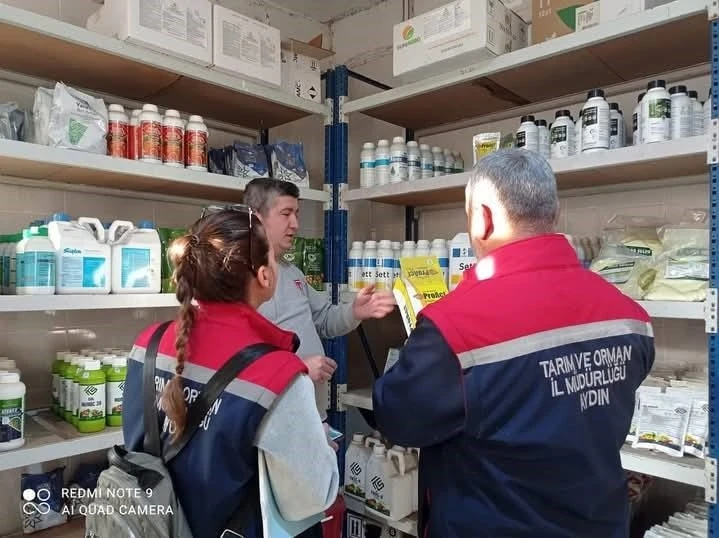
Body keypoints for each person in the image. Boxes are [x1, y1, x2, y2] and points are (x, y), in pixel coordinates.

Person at [372, 149, 655, 538]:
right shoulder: (630, 317)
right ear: (554, 214)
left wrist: (417, 352)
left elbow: (398, 418)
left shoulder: (453, 326)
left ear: (483, 218)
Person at [122, 205, 339, 538]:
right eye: (273, 258)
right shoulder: (277, 374)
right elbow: (310, 498)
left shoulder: (147, 342)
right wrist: (318, 446)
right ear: (265, 276)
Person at [243, 178, 395, 417]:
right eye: (286, 214)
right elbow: (241, 360)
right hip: (273, 418)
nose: (295, 224)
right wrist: (298, 367)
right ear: (257, 217)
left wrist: (354, 311)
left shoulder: (292, 272)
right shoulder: (238, 279)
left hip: (310, 414)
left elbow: (323, 319)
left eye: (297, 214)